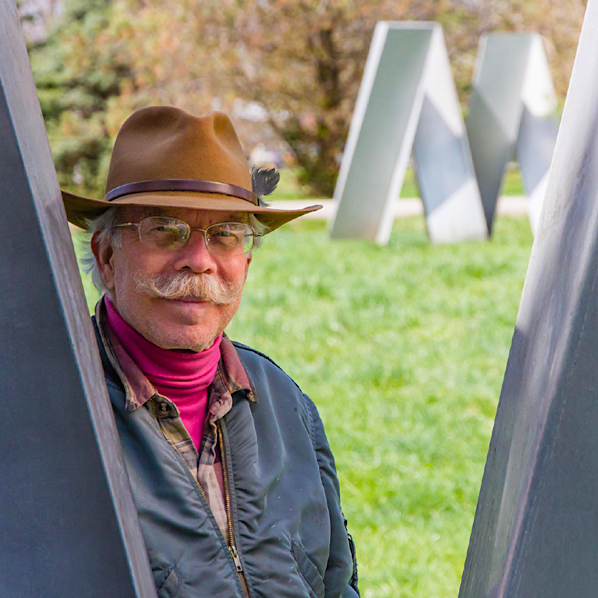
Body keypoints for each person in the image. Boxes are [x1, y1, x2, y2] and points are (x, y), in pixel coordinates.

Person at [62, 106, 359, 598]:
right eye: (164, 229)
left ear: (245, 259)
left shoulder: (285, 402)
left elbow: (336, 581)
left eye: (224, 235)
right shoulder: (52, 411)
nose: (199, 261)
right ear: (107, 256)